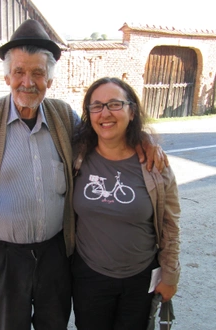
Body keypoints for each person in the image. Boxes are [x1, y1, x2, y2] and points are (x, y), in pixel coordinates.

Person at [0, 20, 166, 330]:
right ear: (7, 76)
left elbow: (106, 136)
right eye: (20, 72)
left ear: (49, 80)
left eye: (38, 73)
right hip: (3, 256)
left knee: (54, 324)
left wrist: (141, 139)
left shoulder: (64, 116)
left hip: (56, 252)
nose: (28, 82)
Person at [71, 77, 181, 330]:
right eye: (96, 106)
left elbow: (170, 224)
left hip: (140, 278)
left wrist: (170, 274)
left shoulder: (155, 165)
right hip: (89, 276)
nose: (105, 113)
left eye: (114, 104)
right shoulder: (76, 156)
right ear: (89, 115)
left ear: (132, 111)